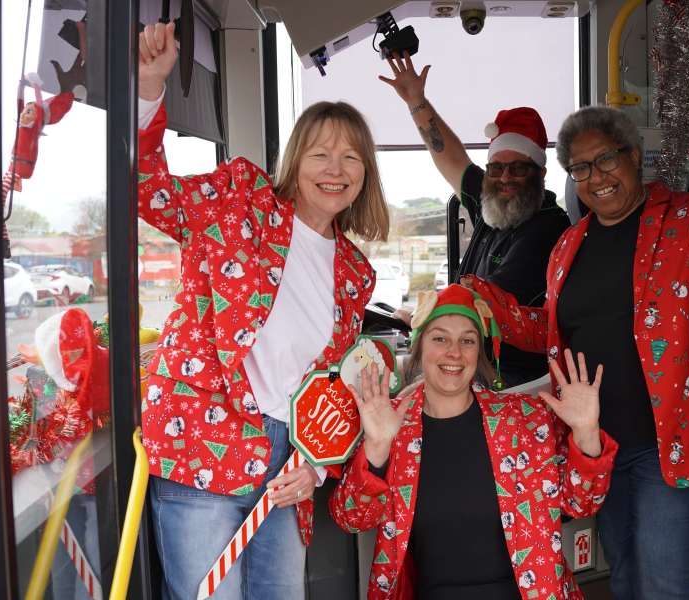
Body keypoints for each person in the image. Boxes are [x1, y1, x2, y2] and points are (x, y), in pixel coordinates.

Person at [464, 106, 689, 600]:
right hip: (604, 443)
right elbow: (549, 331)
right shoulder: (569, 244)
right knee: (626, 570)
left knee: (664, 575)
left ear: (634, 157)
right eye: (582, 168)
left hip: (678, 437)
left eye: (606, 159)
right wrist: (486, 302)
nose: (597, 176)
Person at [136, 22, 389, 599]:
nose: (335, 168)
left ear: (364, 175)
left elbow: (338, 389)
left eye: (351, 157)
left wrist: (317, 468)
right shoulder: (240, 201)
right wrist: (151, 86)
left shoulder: (355, 272)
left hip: (287, 468)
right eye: (321, 152)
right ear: (297, 159)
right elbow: (149, 193)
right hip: (204, 445)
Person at [329, 284, 617, 599]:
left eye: (467, 340)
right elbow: (351, 518)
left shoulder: (524, 419)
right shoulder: (389, 420)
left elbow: (582, 503)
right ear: (419, 346)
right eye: (440, 338)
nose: (454, 352)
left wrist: (587, 431)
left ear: (478, 353)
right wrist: (377, 449)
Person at [381, 53, 569, 387]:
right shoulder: (493, 205)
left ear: (540, 173)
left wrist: (419, 317)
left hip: (512, 380)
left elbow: (480, 302)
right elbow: (450, 156)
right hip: (476, 363)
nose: (505, 177)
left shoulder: (547, 228)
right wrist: (416, 101)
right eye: (496, 167)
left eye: (518, 168)